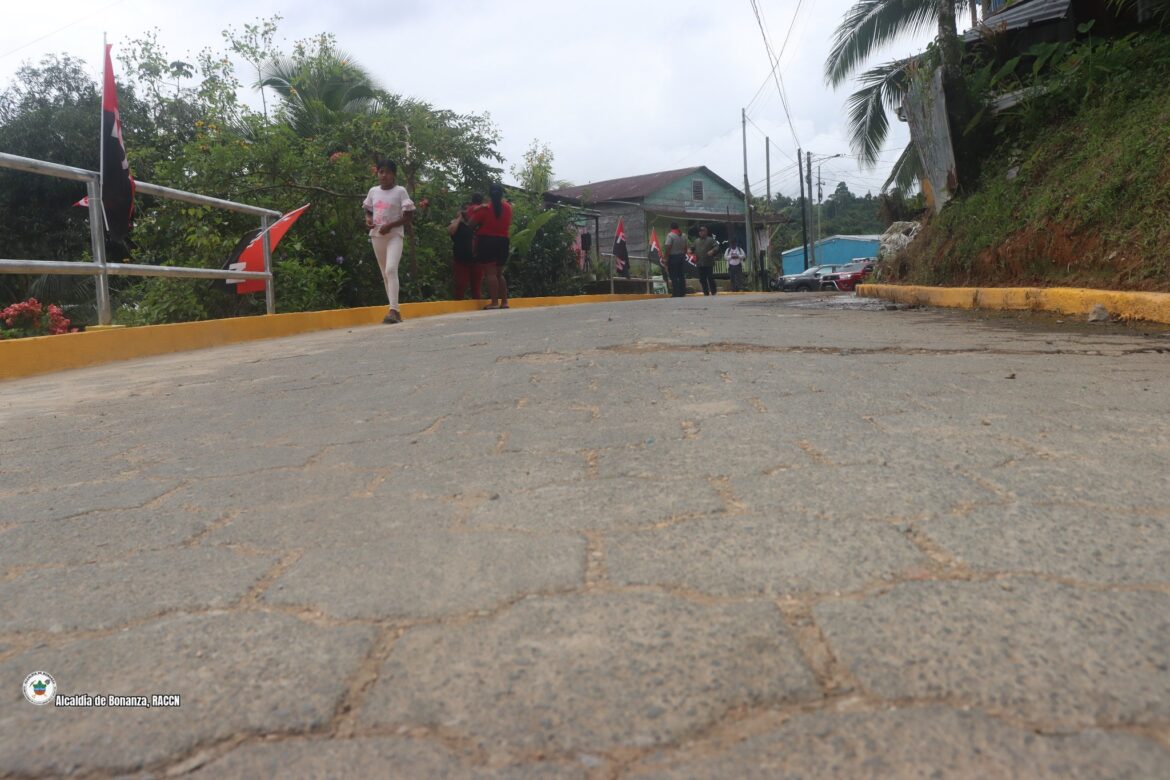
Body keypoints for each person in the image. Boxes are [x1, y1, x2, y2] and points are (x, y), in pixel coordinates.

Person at [363, 159, 415, 324]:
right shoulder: (373, 191)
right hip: (377, 235)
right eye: (381, 172)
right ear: (377, 173)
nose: (384, 175)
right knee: (385, 273)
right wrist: (368, 220)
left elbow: (408, 216)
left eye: (388, 172)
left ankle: (394, 310)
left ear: (394, 174)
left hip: (394, 235)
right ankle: (394, 310)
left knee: (391, 269)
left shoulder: (400, 191)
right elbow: (368, 210)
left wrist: (390, 226)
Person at [469, 183, 513, 309]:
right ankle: (504, 302)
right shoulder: (508, 207)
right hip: (503, 241)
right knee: (499, 274)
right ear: (501, 193)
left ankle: (494, 302)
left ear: (489, 194)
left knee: (490, 274)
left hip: (487, 241)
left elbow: (471, 224)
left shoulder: (485, 208)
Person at [448, 199, 481, 300]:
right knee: (460, 286)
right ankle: (458, 307)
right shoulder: (457, 224)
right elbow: (451, 231)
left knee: (476, 288)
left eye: (470, 210)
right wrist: (459, 218)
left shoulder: (476, 224)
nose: (468, 212)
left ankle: (478, 309)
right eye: (465, 210)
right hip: (460, 261)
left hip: (476, 261)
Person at [691, 225, 720, 295]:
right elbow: (692, 248)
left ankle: (713, 291)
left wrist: (712, 251)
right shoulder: (696, 241)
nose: (701, 232)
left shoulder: (710, 240)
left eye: (703, 231)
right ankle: (705, 292)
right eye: (700, 231)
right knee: (702, 279)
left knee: (710, 277)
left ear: (706, 232)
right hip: (699, 262)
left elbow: (717, 247)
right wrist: (690, 250)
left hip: (708, 262)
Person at [664, 222, 688, 298]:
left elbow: (668, 247)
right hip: (682, 256)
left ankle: (676, 293)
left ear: (671, 227)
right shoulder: (683, 235)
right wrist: (683, 255)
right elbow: (685, 247)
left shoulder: (670, 235)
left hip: (673, 257)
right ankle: (682, 292)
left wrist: (666, 257)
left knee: (673, 275)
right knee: (681, 275)